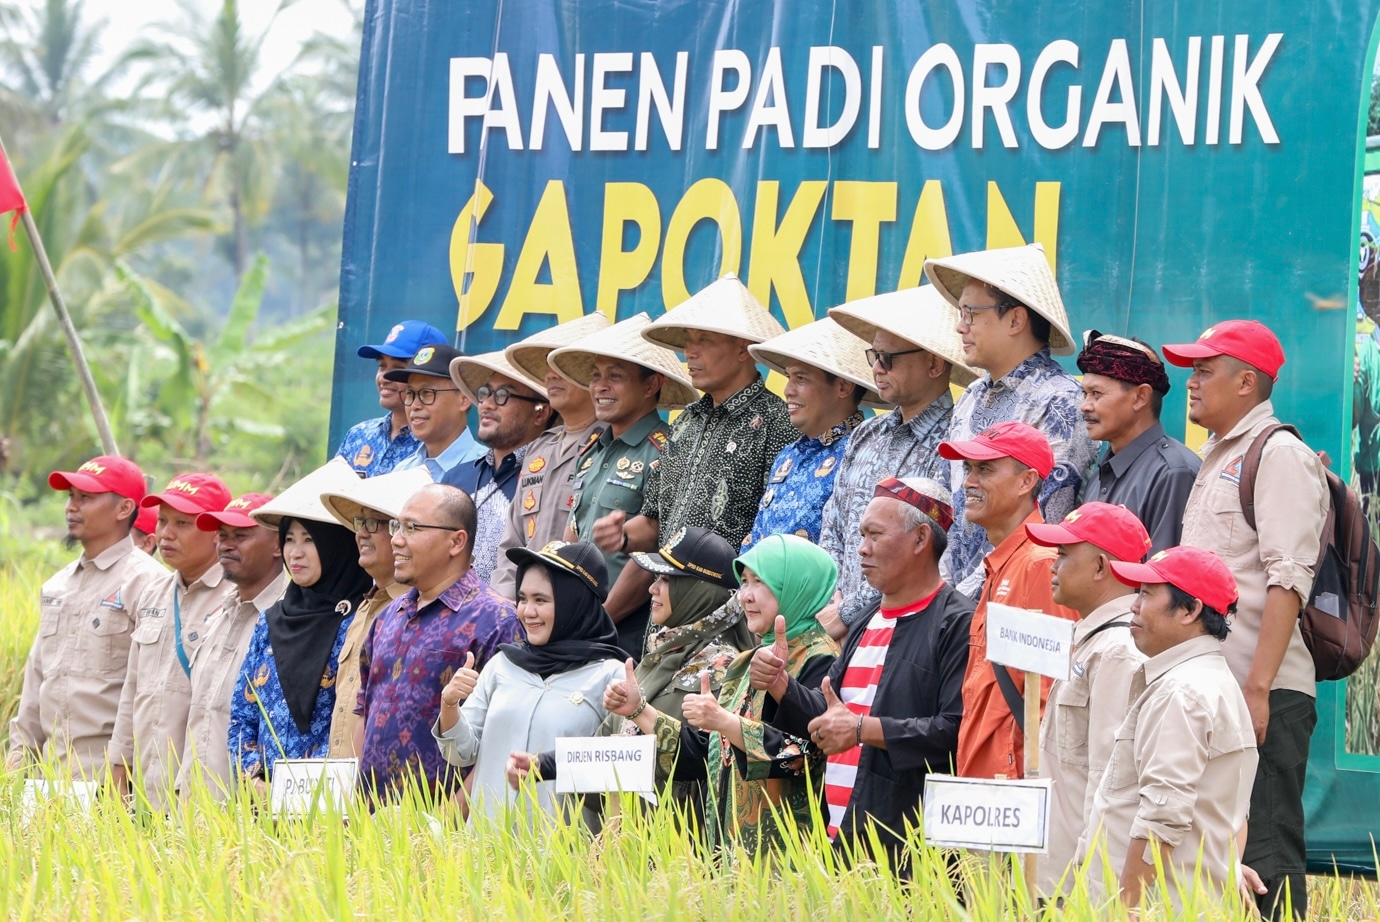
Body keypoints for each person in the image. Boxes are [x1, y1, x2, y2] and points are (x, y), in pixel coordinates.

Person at [1162, 320, 1329, 920]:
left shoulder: (1278, 453)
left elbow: (1289, 579)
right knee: (1217, 860)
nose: (1192, 382)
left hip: (1263, 695)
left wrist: (1257, 689)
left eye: (1205, 371)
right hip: (1219, 695)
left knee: (1266, 855)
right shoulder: (1217, 456)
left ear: (1247, 382)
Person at [762, 477, 973, 869]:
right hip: (840, 836)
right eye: (861, 534)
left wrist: (861, 730)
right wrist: (780, 684)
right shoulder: (866, 620)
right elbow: (833, 715)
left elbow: (955, 731)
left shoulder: (957, 623)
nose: (862, 548)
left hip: (905, 846)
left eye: (875, 534)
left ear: (920, 538)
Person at [515, 527, 754, 824]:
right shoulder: (659, 656)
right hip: (629, 844)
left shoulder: (727, 669)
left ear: (696, 591)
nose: (652, 589)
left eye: (666, 580)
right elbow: (612, 747)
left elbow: (709, 760)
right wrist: (544, 765)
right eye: (655, 578)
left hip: (684, 852)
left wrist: (642, 712)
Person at [1076, 546, 1257, 913]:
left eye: (1146, 593)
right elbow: (1235, 813)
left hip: (1157, 907)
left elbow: (1162, 817)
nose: (1133, 605)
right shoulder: (1213, 680)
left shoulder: (1181, 692)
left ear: (1190, 610)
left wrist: (1126, 908)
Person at [925, 244, 1097, 597]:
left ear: (1016, 320)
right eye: (960, 313)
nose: (960, 327)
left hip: (1015, 597)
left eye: (970, 313)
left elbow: (1042, 522)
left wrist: (956, 603)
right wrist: (938, 595)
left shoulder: (1059, 400)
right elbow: (945, 505)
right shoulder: (971, 395)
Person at [667, 534, 839, 853]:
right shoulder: (744, 663)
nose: (746, 595)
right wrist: (639, 711)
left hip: (786, 862)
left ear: (796, 585)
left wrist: (725, 720)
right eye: (744, 582)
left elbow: (803, 753)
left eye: (760, 581)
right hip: (731, 852)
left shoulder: (822, 658)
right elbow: (714, 750)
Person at [433, 541, 625, 825]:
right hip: (488, 849)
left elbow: (619, 773)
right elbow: (462, 753)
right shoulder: (502, 665)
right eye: (522, 598)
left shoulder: (610, 676)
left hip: (564, 855)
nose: (527, 611)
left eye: (541, 600)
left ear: (575, 602)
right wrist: (449, 703)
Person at [822, 286, 977, 635]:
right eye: (873, 356)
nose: (877, 368)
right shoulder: (866, 434)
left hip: (909, 628)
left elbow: (930, 553)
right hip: (835, 624)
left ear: (935, 363)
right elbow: (833, 524)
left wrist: (847, 611)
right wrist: (831, 599)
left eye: (888, 358)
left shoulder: (955, 445)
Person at [608, 274, 797, 555]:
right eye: (688, 341)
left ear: (743, 348)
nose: (689, 352)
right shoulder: (685, 422)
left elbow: (776, 533)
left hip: (732, 593)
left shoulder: (777, 421)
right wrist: (619, 536)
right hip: (666, 590)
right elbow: (654, 521)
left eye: (704, 340)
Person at [355, 483, 520, 802]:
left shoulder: (498, 620)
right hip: (372, 828)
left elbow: (505, 738)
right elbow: (363, 709)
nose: (396, 540)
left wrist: (447, 822)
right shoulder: (388, 616)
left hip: (445, 835)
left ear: (457, 541)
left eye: (412, 528)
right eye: (396, 526)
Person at [7, 456, 166, 778]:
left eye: (86, 498)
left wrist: (122, 776)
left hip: (110, 777)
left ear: (123, 509)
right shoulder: (58, 585)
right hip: (49, 777)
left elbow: (150, 694)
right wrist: (16, 766)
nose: (71, 507)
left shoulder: (148, 585)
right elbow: (37, 683)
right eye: (70, 497)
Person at [936, 421, 1078, 780]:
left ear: (1026, 481)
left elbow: (1050, 705)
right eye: (968, 469)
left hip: (1011, 794)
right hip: (989, 788)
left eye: (985, 469)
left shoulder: (1039, 565)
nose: (969, 481)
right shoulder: (1007, 562)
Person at [549, 313, 696, 658]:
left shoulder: (667, 449)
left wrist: (600, 621)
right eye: (596, 376)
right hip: (576, 624)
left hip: (622, 632)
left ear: (651, 385)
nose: (600, 386)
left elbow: (655, 551)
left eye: (615, 376)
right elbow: (573, 535)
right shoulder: (591, 451)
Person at [1024, 502, 1152, 898]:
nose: (1052, 565)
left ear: (1100, 567)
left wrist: (1093, 889)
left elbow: (1110, 782)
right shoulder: (1092, 640)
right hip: (1055, 872)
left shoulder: (1116, 651)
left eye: (1063, 554)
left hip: (1075, 884)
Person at [229, 491, 373, 786]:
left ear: (337, 545)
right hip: (260, 800)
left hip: (328, 799)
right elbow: (242, 714)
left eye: (309, 539)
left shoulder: (360, 622)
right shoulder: (270, 621)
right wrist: (253, 781)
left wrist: (302, 789)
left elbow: (354, 717)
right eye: (289, 539)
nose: (295, 552)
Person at [108, 473, 233, 808]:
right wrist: (119, 769)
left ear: (216, 533)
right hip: (145, 791)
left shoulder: (236, 599)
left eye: (183, 523)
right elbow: (131, 690)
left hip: (199, 796)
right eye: (162, 521)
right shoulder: (154, 593)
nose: (166, 534)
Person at [489, 311, 611, 599]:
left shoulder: (612, 445)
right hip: (524, 608)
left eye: (564, 364)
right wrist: (505, 604)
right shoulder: (539, 448)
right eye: (548, 365)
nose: (551, 375)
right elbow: (513, 541)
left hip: (577, 606)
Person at [177, 492, 286, 800]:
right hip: (192, 802)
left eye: (241, 536)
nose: (226, 545)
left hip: (249, 812)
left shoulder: (287, 621)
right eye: (222, 536)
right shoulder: (219, 617)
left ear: (278, 545)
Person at [319, 466, 432, 758]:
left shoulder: (420, 611)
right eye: (359, 522)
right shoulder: (364, 607)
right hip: (340, 788)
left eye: (375, 523)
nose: (361, 533)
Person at [740, 317, 875, 550]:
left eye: (801, 379)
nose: (787, 390)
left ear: (843, 387)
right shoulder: (787, 456)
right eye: (788, 378)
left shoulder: (865, 455)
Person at [1076, 331, 1200, 553]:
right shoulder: (1100, 474)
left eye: (1096, 393)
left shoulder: (1172, 473)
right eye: (1085, 393)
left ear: (1141, 397)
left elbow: (1165, 577)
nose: (1085, 406)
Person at [447, 350, 558, 585]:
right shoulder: (455, 479)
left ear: (541, 413)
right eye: (485, 393)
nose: (486, 404)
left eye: (503, 395)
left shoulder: (551, 479)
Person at [335, 320, 450, 476]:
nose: (384, 377)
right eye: (381, 365)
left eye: (398, 368)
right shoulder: (359, 434)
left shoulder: (437, 444)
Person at [385, 343, 486, 479]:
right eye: (410, 393)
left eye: (426, 393)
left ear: (464, 399)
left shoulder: (486, 471)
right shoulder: (402, 471)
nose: (414, 405)